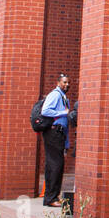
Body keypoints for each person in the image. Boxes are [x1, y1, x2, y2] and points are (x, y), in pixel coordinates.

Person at [39, 74, 71, 207]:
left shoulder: (63, 97)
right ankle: (50, 198)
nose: (67, 85)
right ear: (58, 83)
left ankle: (54, 196)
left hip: (60, 134)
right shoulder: (55, 95)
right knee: (54, 165)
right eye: (64, 82)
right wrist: (63, 112)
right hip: (53, 133)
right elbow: (45, 111)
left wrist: (67, 142)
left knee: (58, 166)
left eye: (68, 83)